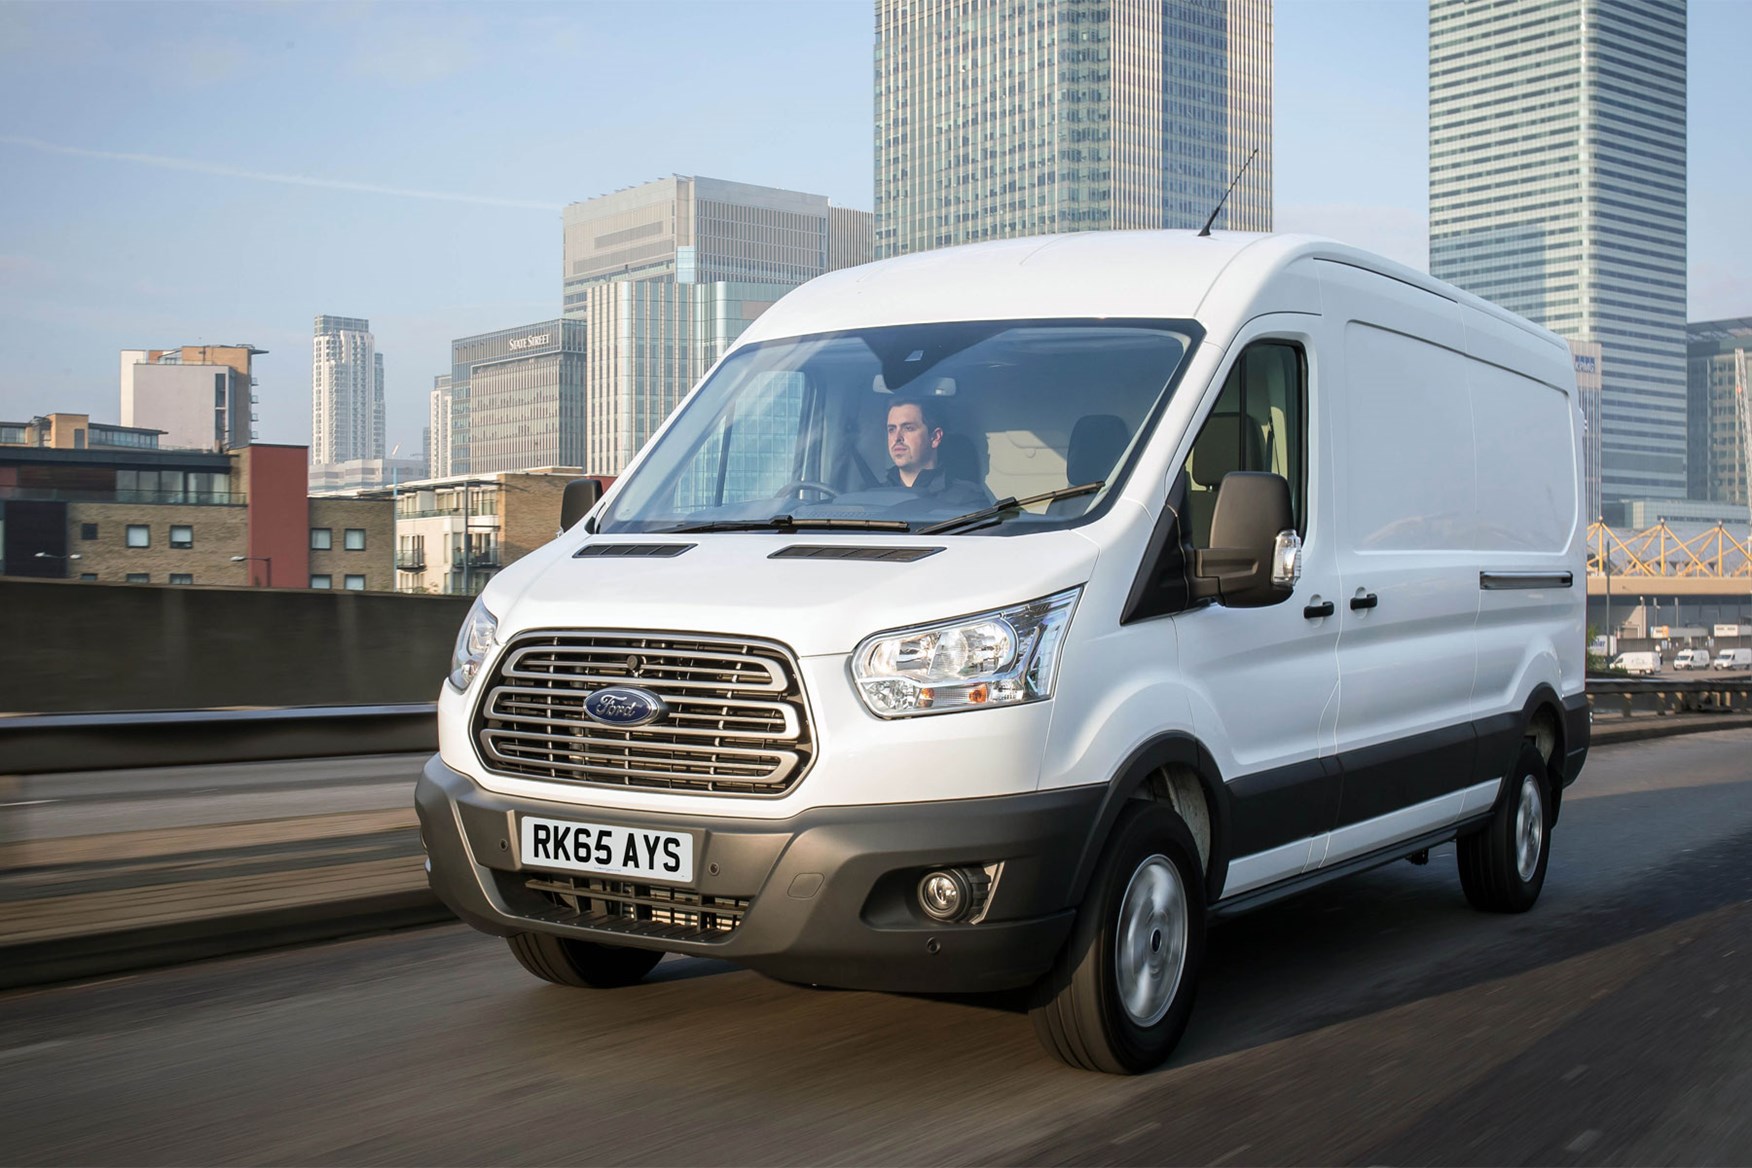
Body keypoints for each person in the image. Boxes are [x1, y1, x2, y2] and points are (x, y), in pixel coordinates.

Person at [883, 397, 992, 508]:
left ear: (935, 437)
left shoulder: (967, 500)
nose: (897, 438)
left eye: (908, 428)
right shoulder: (872, 497)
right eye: (891, 429)